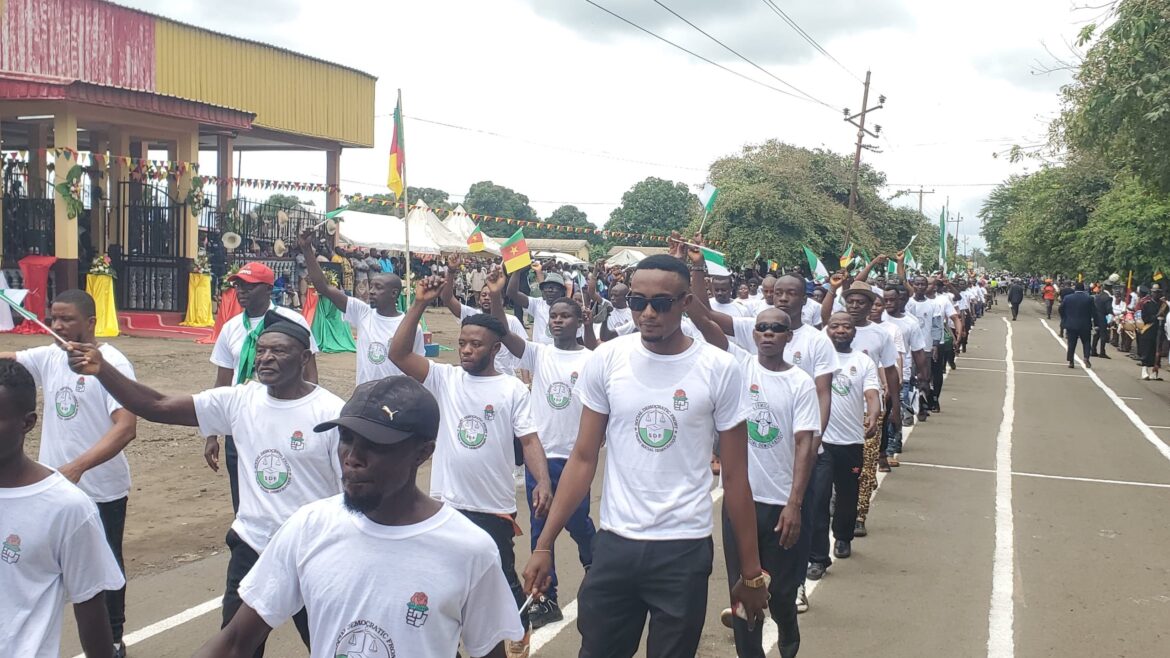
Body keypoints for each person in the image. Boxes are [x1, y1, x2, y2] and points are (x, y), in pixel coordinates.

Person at [521, 254, 769, 657]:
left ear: (686, 302)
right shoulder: (607, 358)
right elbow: (583, 459)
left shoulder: (719, 369)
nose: (647, 314)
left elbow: (738, 478)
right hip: (616, 544)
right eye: (638, 302)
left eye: (661, 304)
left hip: (683, 549)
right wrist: (545, 543)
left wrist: (752, 573)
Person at [67, 316, 344, 658]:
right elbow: (156, 405)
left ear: (304, 359)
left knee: (329, 645)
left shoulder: (332, 414)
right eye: (261, 349)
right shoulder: (240, 400)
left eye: (279, 351)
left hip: (312, 553)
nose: (266, 358)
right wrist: (103, 369)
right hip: (253, 548)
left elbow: (351, 496)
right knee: (236, 646)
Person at [192, 377, 525, 658]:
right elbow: (236, 641)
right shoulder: (309, 527)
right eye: (346, 439)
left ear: (423, 453)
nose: (352, 458)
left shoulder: (469, 549)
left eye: (375, 445)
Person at [390, 276, 552, 658]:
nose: (465, 350)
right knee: (439, 576)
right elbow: (398, 354)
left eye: (475, 344)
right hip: (446, 502)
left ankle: (517, 628)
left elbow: (529, 440)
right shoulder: (445, 378)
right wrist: (418, 304)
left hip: (493, 505)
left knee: (497, 575)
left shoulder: (511, 389)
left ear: (495, 349)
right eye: (462, 343)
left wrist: (542, 481)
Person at [0, 290, 138, 656]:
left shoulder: (112, 364)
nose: (57, 326)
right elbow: (9, 360)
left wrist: (76, 468)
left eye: (67, 320)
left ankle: (112, 639)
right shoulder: (50, 356)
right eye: (54, 318)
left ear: (91, 322)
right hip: (49, 492)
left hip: (99, 490)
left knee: (101, 574)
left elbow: (125, 428)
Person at [693, 308, 819, 658]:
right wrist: (697, 270)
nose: (767, 334)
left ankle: (787, 621)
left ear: (788, 335)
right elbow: (704, 321)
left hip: (784, 504)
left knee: (779, 592)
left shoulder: (800, 383)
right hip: (742, 502)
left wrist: (794, 504)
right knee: (744, 589)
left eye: (776, 329)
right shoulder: (740, 364)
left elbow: (805, 444)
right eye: (761, 328)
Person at [486, 276, 598, 629]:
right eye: (553, 316)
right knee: (540, 522)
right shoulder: (540, 353)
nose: (557, 320)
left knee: (576, 519)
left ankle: (596, 563)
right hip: (542, 456)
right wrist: (493, 297)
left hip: (576, 457)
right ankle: (545, 597)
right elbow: (503, 333)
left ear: (578, 321)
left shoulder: (593, 359)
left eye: (565, 316)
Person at [205, 262, 320, 515]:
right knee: (243, 491)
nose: (241, 291)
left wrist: (307, 417)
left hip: (284, 417)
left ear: (268, 289)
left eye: (249, 286)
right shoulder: (231, 327)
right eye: (238, 286)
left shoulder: (292, 321)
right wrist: (212, 433)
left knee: (283, 484)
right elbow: (223, 381)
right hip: (242, 420)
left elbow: (310, 373)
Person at [806, 312, 881, 580]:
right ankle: (817, 557)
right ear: (827, 329)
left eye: (846, 326)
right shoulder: (816, 358)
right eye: (835, 325)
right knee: (818, 499)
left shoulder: (863, 361)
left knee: (847, 496)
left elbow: (872, 393)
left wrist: (873, 413)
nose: (840, 330)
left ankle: (843, 536)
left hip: (851, 441)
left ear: (853, 332)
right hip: (821, 441)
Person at [297, 231, 423, 385]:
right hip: (365, 398)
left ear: (394, 293)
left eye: (378, 288)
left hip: (397, 400)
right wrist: (307, 250)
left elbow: (418, 369)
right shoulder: (362, 312)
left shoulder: (410, 327)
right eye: (372, 286)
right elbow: (324, 287)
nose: (371, 291)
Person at [439, 259, 527, 377]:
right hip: (474, 378)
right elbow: (447, 299)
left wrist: (526, 380)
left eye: (491, 295)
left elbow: (523, 351)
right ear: (479, 299)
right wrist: (451, 271)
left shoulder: (512, 321)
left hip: (503, 380)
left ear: (501, 299)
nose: (486, 298)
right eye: (483, 295)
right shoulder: (472, 317)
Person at [506, 263, 582, 344]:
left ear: (562, 291)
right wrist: (517, 271)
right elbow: (512, 293)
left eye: (554, 287)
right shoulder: (537, 304)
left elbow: (579, 341)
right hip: (540, 355)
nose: (549, 290)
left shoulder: (569, 309)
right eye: (547, 287)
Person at [1061, 282, 1096, 369]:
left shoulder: (1068, 298)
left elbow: (1061, 309)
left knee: (1071, 343)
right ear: (1083, 289)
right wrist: (1095, 323)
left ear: (1075, 289)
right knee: (1086, 342)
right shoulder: (1089, 298)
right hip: (1085, 324)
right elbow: (1094, 312)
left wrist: (1065, 318)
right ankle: (1086, 357)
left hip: (1071, 324)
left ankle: (1071, 361)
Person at [1137, 285, 1167, 380]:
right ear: (1152, 293)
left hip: (1160, 330)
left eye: (1158, 292)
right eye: (1155, 292)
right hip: (1149, 330)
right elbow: (1145, 318)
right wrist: (1156, 316)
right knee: (1147, 351)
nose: (1157, 294)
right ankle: (1144, 370)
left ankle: (1155, 371)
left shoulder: (1164, 305)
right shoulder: (1147, 304)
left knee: (1157, 351)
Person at [1093, 285, 1113, 358]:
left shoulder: (1098, 296)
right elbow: (1108, 309)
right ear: (1110, 289)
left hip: (1096, 316)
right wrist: (1110, 317)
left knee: (1097, 334)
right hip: (1103, 317)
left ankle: (1093, 350)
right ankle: (1102, 352)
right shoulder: (1108, 298)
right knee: (1103, 335)